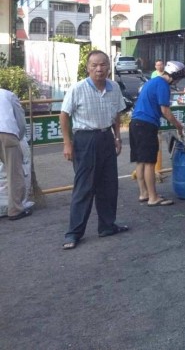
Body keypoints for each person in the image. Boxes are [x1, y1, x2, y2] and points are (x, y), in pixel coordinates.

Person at [60, 50, 129, 249]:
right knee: (84, 187)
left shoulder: (114, 87)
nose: (99, 69)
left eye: (103, 65)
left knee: (108, 185)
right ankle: (73, 234)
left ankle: (107, 226)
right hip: (85, 139)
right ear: (88, 68)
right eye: (94, 65)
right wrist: (67, 143)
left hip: (106, 137)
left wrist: (117, 137)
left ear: (108, 67)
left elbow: (117, 113)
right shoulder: (78, 88)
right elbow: (64, 115)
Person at [129, 60, 185, 207]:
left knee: (141, 161)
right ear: (175, 75)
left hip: (135, 124)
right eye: (179, 77)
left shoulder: (153, 81)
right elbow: (165, 110)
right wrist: (179, 126)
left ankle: (144, 193)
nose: (179, 81)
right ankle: (153, 197)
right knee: (150, 163)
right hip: (146, 125)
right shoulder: (163, 85)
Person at [0, 87, 31, 221]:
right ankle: (15, 210)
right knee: (14, 173)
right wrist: (19, 137)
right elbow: (20, 120)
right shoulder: (8, 95)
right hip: (7, 134)